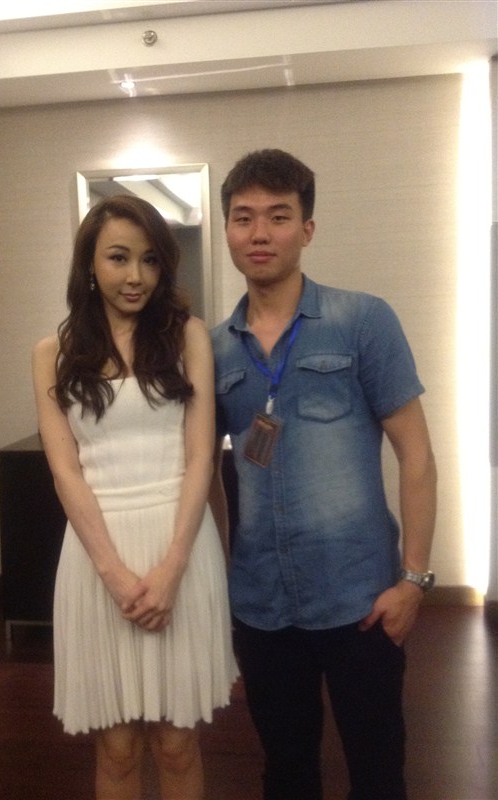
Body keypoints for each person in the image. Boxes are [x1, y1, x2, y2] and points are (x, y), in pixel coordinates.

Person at [210, 149, 437, 800]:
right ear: (227, 231)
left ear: (306, 229)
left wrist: (414, 580)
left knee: (377, 770)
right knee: (285, 772)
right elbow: (203, 474)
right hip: (262, 605)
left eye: (278, 216)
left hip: (360, 599)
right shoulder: (213, 347)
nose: (259, 233)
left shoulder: (362, 321)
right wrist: (218, 580)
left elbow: (417, 455)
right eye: (243, 217)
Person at [32, 194, 238, 800]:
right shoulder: (51, 354)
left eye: (149, 260)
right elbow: (66, 472)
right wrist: (115, 574)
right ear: (89, 264)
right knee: (117, 749)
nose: (135, 276)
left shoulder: (187, 336)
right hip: (98, 557)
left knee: (177, 743)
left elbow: (200, 458)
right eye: (118, 258)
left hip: (181, 547)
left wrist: (172, 568)